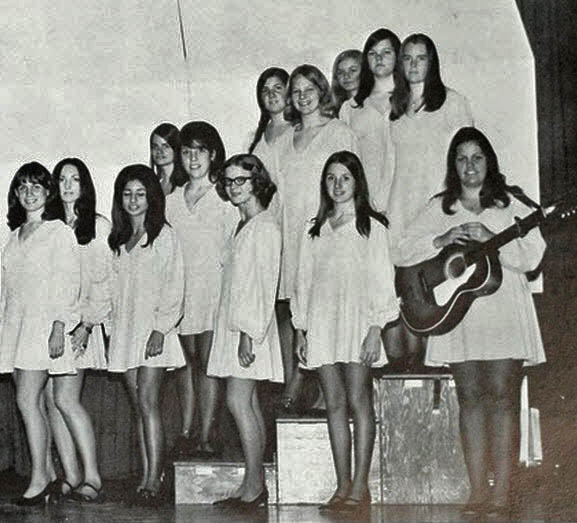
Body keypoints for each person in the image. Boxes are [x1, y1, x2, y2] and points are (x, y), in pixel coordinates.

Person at [395, 127, 546, 518]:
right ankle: (478, 491)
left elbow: (532, 257)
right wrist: (441, 239)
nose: (469, 166)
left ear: (489, 162)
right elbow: (401, 248)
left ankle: (503, 493)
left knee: (502, 399)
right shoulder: (440, 207)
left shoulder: (510, 203)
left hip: (504, 313)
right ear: (453, 166)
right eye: (461, 159)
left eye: (477, 158)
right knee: (470, 400)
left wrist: (493, 235)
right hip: (457, 314)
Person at [293, 151, 399, 516]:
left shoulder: (372, 227)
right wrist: (301, 330)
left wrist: (375, 329)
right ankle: (341, 485)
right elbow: (302, 285)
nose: (337, 186)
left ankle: (360, 486)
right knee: (333, 403)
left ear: (357, 182)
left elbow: (383, 282)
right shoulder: (314, 230)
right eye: (331, 179)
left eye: (345, 178)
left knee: (358, 400)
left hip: (359, 322)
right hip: (323, 323)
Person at [386, 33, 473, 367]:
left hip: (438, 208)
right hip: (401, 210)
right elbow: (390, 169)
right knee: (408, 291)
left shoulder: (453, 102)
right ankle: (409, 369)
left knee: (436, 287)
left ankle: (433, 368)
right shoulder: (395, 109)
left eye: (420, 58)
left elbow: (465, 159)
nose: (413, 65)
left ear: (432, 62)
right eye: (406, 58)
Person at [276, 64, 360, 411]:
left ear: (321, 91)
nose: (303, 96)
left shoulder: (339, 132)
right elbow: (280, 199)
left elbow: (354, 182)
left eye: (309, 89)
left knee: (329, 309)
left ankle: (330, 395)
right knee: (298, 313)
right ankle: (296, 384)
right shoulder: (283, 141)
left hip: (330, 235)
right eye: (295, 91)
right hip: (294, 238)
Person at [0, 162, 81, 505]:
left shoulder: (58, 232)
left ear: (48, 193)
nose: (29, 192)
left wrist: (60, 327)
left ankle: (41, 475)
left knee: (26, 400)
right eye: (23, 187)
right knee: (31, 403)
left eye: (36, 186)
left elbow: (68, 282)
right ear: (16, 194)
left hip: (43, 327)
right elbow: (7, 289)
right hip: (17, 327)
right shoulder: (14, 236)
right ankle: (46, 470)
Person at [208, 154, 282, 510]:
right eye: (229, 181)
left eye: (241, 180)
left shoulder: (265, 226)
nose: (234, 187)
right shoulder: (242, 224)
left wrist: (248, 333)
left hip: (249, 329)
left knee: (238, 401)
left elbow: (263, 286)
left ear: (257, 182)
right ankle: (252, 484)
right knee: (246, 402)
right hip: (235, 325)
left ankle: (255, 487)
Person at [107, 164, 185, 504]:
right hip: (126, 334)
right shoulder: (119, 240)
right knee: (139, 407)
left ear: (151, 197)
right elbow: (113, 292)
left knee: (150, 403)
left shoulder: (164, 236)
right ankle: (146, 475)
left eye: (140, 194)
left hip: (155, 332)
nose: (133, 200)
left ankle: (156, 478)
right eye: (127, 194)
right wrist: (111, 332)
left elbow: (175, 287)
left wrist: (160, 329)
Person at [165, 121, 237, 458]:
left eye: (200, 151)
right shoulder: (172, 200)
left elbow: (233, 249)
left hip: (213, 290)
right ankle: (187, 430)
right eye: (186, 151)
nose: (193, 158)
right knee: (186, 364)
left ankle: (208, 435)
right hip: (182, 293)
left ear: (213, 154)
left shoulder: (224, 196)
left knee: (208, 363)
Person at [43, 158, 109, 502]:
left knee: (67, 398)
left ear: (84, 185)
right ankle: (70, 475)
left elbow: (103, 283)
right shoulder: (49, 226)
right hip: (51, 326)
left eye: (75, 179)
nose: (68, 185)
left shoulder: (96, 226)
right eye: (62, 179)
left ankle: (93, 476)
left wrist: (86, 325)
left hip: (80, 326)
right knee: (51, 403)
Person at [339, 29, 400, 211]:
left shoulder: (412, 102)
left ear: (398, 55)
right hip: (366, 202)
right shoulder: (351, 108)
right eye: (373, 53)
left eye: (386, 52)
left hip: (405, 198)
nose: (379, 58)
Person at [247, 67, 291, 225]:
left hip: (294, 213)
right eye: (265, 90)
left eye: (278, 88)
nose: (271, 94)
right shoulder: (254, 138)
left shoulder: (300, 131)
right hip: (266, 218)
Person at [149, 123, 181, 195]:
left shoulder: (185, 184)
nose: (159, 151)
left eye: (165, 146)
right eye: (155, 146)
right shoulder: (153, 185)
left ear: (176, 149)